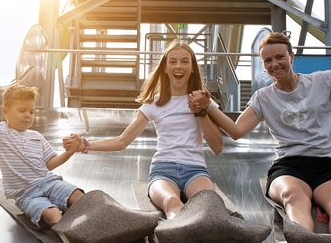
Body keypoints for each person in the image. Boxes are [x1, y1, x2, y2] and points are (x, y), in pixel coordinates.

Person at [190, 3, 331, 234]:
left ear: (291, 57)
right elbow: (236, 131)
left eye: (279, 57)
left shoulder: (323, 81)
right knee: (293, 198)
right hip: (289, 167)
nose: (274, 64)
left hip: (328, 164)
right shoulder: (263, 97)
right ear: (264, 66)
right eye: (268, 61)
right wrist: (208, 106)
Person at [65, 40, 223, 219]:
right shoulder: (153, 104)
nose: (178, 66)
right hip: (163, 170)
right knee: (172, 202)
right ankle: (178, 233)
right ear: (165, 67)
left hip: (195, 169)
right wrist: (86, 145)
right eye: (172, 61)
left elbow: (217, 147)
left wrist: (200, 111)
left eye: (185, 61)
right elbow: (122, 141)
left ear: (193, 67)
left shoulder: (204, 101)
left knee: (208, 203)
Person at [0, 66, 85, 227]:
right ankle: (66, 227)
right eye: (22, 110)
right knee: (53, 215)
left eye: (31, 111)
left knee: (79, 197)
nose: (28, 115)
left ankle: (78, 217)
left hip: (50, 182)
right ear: (5, 112)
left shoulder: (36, 136)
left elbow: (50, 164)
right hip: (27, 194)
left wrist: (69, 152)